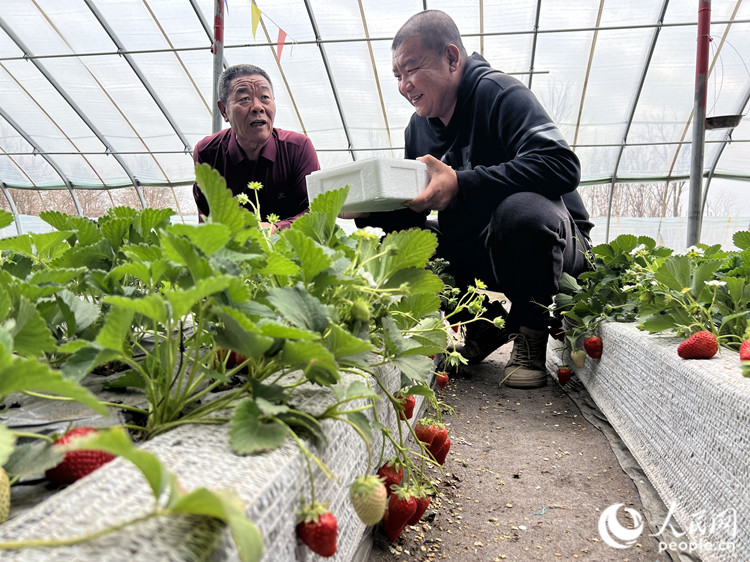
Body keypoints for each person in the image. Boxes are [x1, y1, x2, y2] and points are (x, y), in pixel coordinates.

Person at [354, 10, 594, 389]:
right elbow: (416, 219)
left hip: (557, 245)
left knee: (520, 212)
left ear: (452, 58)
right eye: (397, 76)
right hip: (484, 247)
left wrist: (462, 183)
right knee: (398, 236)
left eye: (412, 69)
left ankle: (530, 334)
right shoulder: (418, 128)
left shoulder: (499, 94)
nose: (404, 85)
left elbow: (562, 165)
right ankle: (481, 323)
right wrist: (377, 212)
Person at [193, 64, 320, 232]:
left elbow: (316, 212)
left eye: (265, 97)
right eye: (245, 99)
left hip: (293, 250)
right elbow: (208, 220)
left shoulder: (298, 148)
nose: (258, 107)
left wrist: (276, 229)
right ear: (224, 110)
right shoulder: (208, 153)